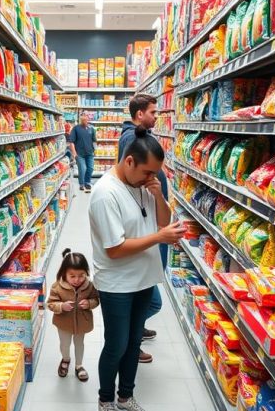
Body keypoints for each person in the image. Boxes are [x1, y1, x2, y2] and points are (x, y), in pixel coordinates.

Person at [90, 127, 186, 411]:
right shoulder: (105, 194)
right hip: (118, 284)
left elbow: (162, 221)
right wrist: (159, 238)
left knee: (133, 344)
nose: (151, 178)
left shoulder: (143, 185)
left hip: (144, 280)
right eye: (147, 172)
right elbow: (114, 249)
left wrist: (158, 195)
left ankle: (125, 397)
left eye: (155, 174)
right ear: (128, 161)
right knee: (116, 346)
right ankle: (105, 399)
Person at [117, 93, 167, 362]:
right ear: (139, 114)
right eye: (153, 112)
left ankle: (136, 328)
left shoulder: (137, 135)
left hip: (148, 222)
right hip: (142, 230)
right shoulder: (133, 139)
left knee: (146, 295)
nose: (157, 116)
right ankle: (130, 339)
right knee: (151, 300)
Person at [47, 248, 100, 382]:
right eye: (72, 276)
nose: (77, 280)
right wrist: (61, 306)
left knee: (79, 343)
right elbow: (50, 303)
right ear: (64, 274)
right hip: (63, 323)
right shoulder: (57, 287)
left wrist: (89, 303)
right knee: (64, 344)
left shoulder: (89, 286)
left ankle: (79, 365)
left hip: (82, 322)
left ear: (86, 273)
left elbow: (96, 299)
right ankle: (65, 359)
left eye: (81, 275)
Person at [68, 113, 97, 191]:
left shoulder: (91, 129)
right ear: (80, 119)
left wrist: (95, 150)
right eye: (83, 119)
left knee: (90, 168)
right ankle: (81, 184)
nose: (85, 120)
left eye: (86, 118)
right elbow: (71, 142)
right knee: (83, 168)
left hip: (90, 153)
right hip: (79, 154)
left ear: (88, 119)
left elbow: (94, 141)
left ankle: (87, 182)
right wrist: (74, 153)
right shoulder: (76, 128)